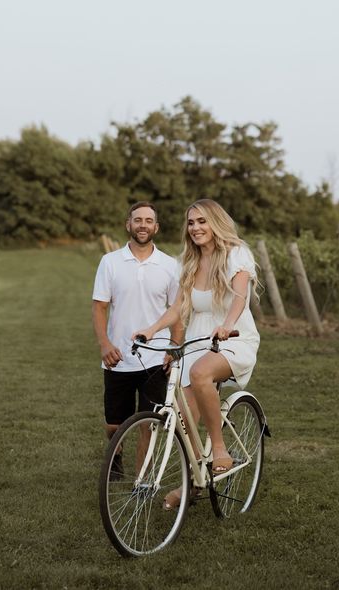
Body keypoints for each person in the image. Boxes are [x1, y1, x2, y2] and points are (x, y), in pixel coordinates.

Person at [134, 198, 260, 508]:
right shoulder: (188, 262)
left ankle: (219, 449)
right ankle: (195, 480)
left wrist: (227, 325)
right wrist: (150, 330)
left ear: (215, 223)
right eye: (191, 223)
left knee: (201, 373)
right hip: (198, 339)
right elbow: (177, 308)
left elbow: (240, 297)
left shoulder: (235, 254)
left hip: (233, 337)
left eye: (202, 221)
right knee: (182, 416)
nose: (195, 228)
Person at [92, 202, 182, 444]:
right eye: (138, 220)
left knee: (149, 424)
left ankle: (141, 481)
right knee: (114, 425)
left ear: (157, 227)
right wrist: (104, 345)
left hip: (155, 357)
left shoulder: (170, 266)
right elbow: (99, 307)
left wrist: (174, 348)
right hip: (118, 356)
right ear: (128, 224)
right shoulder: (110, 261)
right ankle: (116, 458)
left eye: (148, 220)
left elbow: (177, 312)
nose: (143, 225)